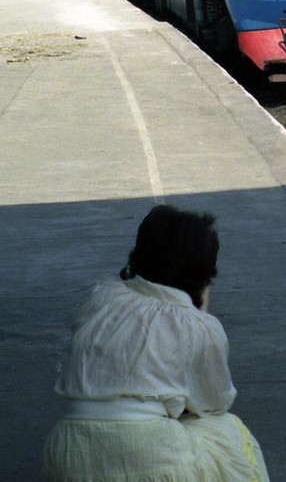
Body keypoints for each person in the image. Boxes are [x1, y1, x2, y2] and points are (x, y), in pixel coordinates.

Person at [43, 204, 270, 482]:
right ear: (204, 274)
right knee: (228, 431)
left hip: (66, 452)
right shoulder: (196, 325)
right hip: (147, 455)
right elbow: (213, 403)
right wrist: (201, 310)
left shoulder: (101, 297)